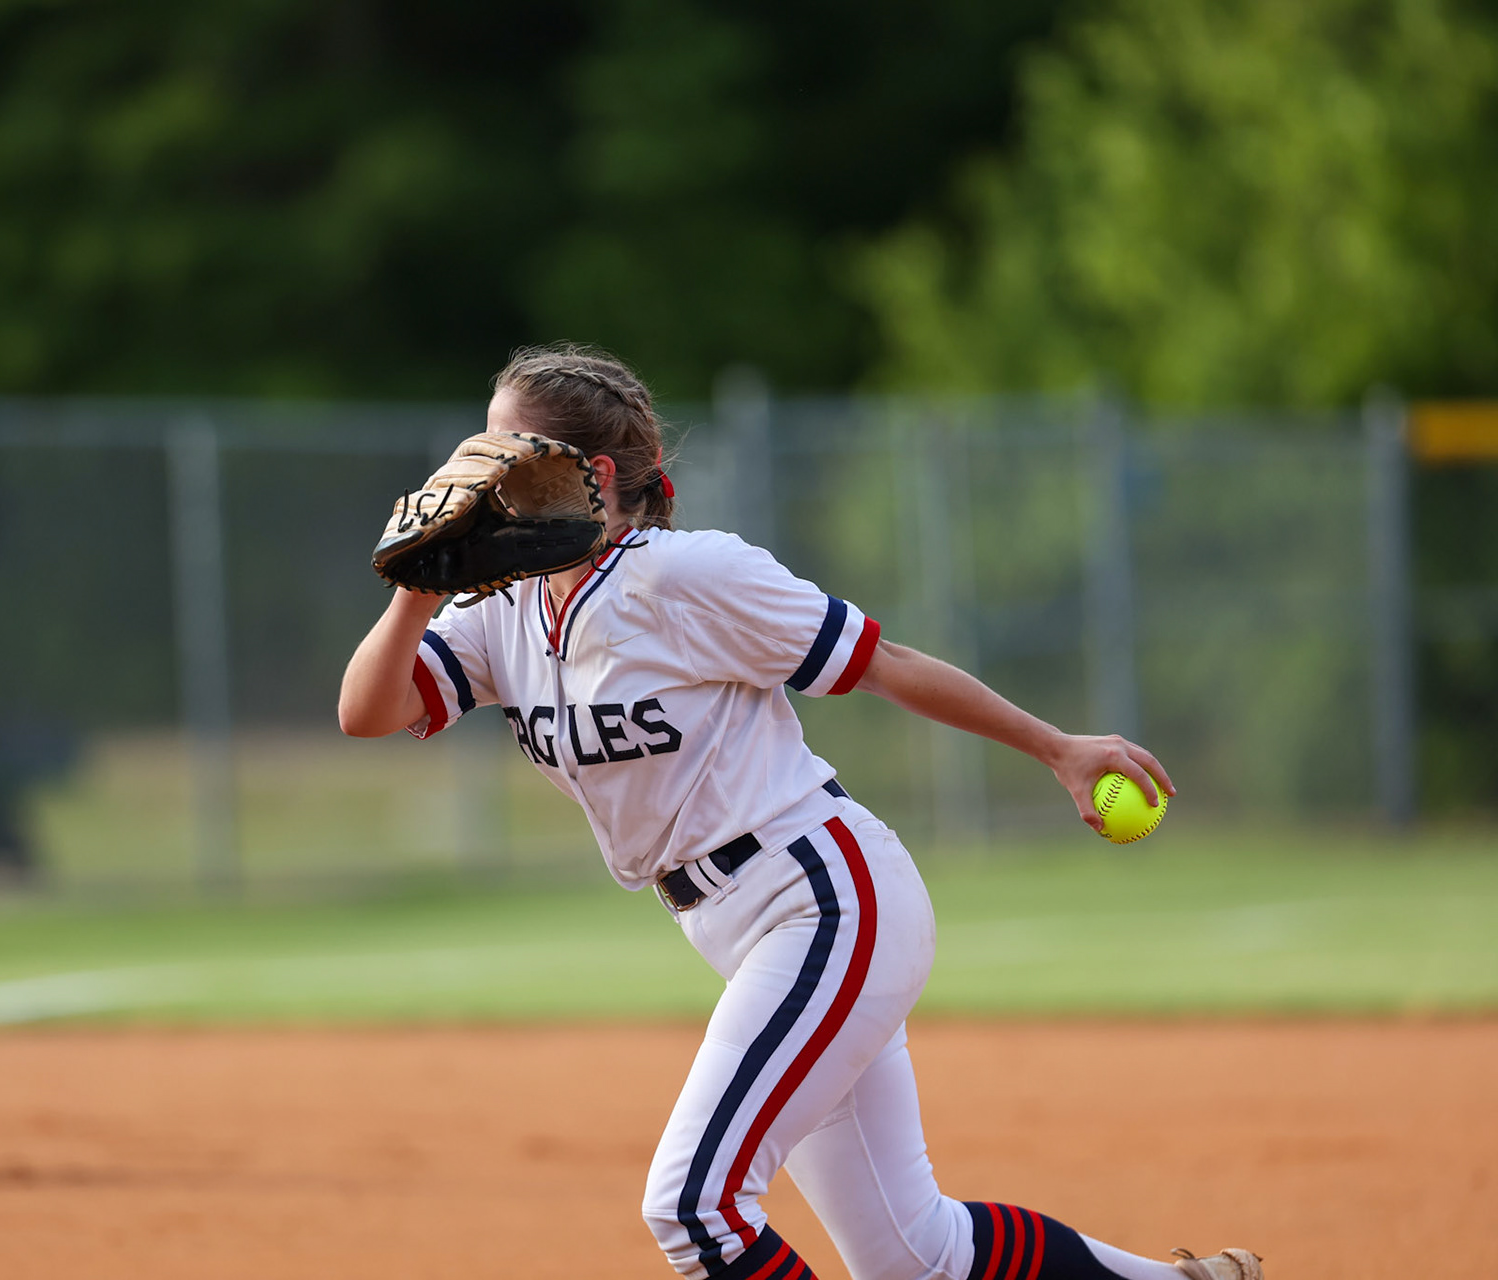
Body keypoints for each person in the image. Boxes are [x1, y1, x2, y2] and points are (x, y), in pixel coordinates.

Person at [338, 343, 1263, 1280]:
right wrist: (418, 590)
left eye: (509, 452)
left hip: (823, 898)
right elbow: (367, 712)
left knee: (694, 1208)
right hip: (733, 927)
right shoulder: (506, 610)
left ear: (595, 474)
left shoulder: (687, 576)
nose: (480, 478)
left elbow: (886, 663)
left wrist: (1058, 749)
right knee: (912, 1255)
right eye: (479, 452)